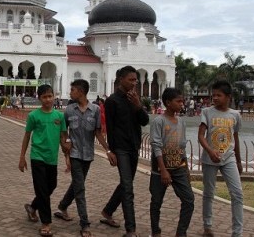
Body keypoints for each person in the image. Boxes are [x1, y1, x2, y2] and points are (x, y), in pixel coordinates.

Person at [54, 79, 110, 237]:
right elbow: (63, 131)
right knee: (80, 188)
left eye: (72, 90)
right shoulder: (70, 110)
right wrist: (65, 149)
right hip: (74, 154)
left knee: (77, 184)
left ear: (80, 91)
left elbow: (98, 132)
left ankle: (62, 206)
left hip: (88, 155)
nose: (70, 93)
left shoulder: (96, 110)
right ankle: (84, 224)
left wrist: (108, 150)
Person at [100, 66, 149, 237]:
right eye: (131, 79)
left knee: (125, 184)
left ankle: (107, 211)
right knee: (128, 187)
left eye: (136, 80)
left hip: (133, 147)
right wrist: (110, 151)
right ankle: (131, 229)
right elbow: (110, 129)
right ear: (120, 79)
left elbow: (144, 121)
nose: (134, 83)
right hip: (120, 148)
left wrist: (138, 106)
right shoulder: (112, 101)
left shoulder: (135, 99)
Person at [19, 84, 69, 237]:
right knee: (42, 190)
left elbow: (63, 138)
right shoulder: (34, 116)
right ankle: (46, 223)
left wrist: (67, 158)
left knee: (51, 186)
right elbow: (27, 136)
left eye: (50, 96)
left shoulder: (59, 116)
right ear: (39, 98)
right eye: (44, 97)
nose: (48, 99)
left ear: (54, 96)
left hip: (52, 158)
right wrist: (22, 157)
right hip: (37, 156)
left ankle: (33, 207)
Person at [198, 80, 243, 237]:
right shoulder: (207, 112)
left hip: (229, 158)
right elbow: (201, 136)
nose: (215, 98)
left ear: (228, 97)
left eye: (219, 95)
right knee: (209, 193)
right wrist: (210, 151)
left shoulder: (235, 115)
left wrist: (238, 161)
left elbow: (235, 138)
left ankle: (237, 232)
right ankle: (207, 227)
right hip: (210, 159)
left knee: (237, 194)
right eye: (213, 95)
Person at [149, 88, 194, 237]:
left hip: (178, 167)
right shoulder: (159, 121)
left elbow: (182, 145)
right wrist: (163, 170)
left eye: (182, 101)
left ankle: (181, 233)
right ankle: (156, 231)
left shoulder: (181, 121)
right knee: (156, 201)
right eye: (178, 101)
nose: (182, 104)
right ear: (168, 102)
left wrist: (186, 168)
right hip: (160, 169)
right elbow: (156, 145)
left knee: (189, 200)